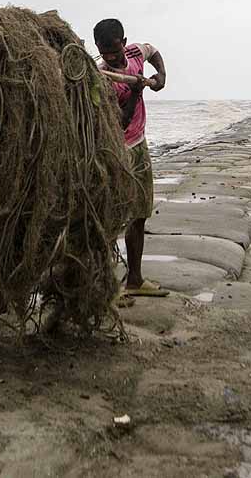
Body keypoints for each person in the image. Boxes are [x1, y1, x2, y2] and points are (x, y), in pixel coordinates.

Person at [94, 18, 167, 297]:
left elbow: (153, 52)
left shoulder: (136, 53)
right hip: (115, 151)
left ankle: (134, 280)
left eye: (114, 49)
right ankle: (104, 288)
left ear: (123, 43)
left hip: (139, 146)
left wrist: (160, 77)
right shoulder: (102, 79)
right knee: (111, 218)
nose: (110, 57)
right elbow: (119, 123)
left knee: (139, 214)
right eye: (104, 51)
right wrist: (136, 93)